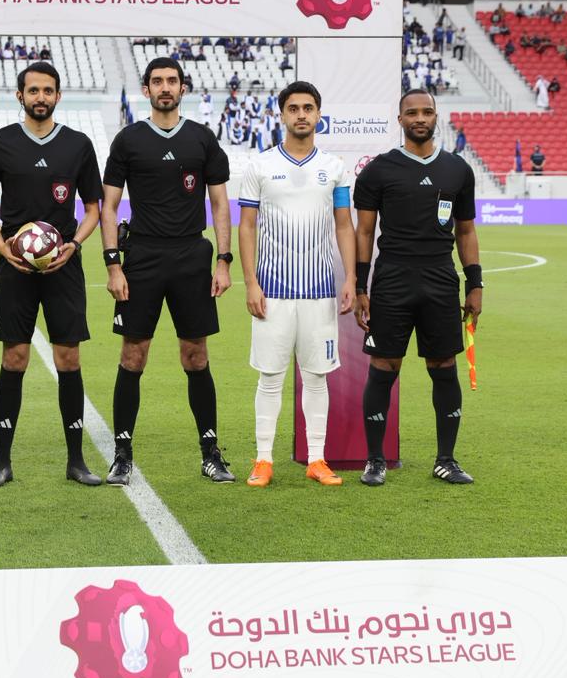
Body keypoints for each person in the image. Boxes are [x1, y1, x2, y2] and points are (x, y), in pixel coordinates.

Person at [101, 56, 234, 485]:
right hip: (142, 256)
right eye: (157, 81)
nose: (165, 87)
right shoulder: (128, 140)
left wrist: (224, 260)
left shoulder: (202, 138)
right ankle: (122, 454)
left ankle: (210, 453)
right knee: (133, 355)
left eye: (171, 81)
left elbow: (219, 204)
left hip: (192, 256)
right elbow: (108, 207)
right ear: (146, 90)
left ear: (182, 88)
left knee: (196, 355)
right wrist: (113, 264)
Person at [0, 62, 104, 488]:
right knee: (14, 358)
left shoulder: (78, 145)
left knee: (69, 358)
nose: (41, 97)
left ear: (58, 96)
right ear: (20, 96)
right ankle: (2, 462)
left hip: (63, 266)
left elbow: (93, 209)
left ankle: (76, 461)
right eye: (33, 91)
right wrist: (3, 248)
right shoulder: (0, 143)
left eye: (48, 90)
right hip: (17, 267)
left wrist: (74, 245)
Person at [353, 89, 481, 487]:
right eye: (412, 113)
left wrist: (475, 283)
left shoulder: (457, 169)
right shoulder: (378, 170)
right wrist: (360, 285)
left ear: (436, 116)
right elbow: (364, 232)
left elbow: (466, 231)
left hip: (440, 280)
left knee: (443, 366)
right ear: (400, 119)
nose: (420, 118)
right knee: (384, 366)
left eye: (427, 112)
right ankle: (375, 460)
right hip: (392, 280)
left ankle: (446, 459)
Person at [237, 81, 356, 488]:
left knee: (317, 377)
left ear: (318, 114)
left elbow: (344, 225)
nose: (301, 114)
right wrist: (251, 283)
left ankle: (316, 459)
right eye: (293, 108)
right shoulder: (259, 166)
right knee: (270, 377)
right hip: (272, 291)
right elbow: (247, 226)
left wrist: (350, 277)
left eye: (308, 108)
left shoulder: (335, 168)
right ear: (282, 114)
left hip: (320, 292)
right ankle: (263, 459)